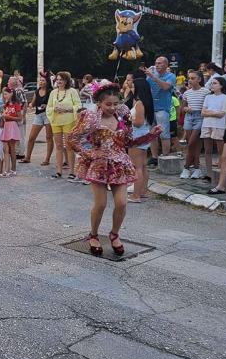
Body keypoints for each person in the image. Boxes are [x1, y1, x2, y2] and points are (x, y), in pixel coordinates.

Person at [69, 83, 161, 256]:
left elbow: (129, 143)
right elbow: (72, 138)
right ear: (99, 103)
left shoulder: (123, 117)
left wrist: (151, 135)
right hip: (99, 165)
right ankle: (94, 235)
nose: (112, 108)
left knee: (121, 202)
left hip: (119, 164)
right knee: (101, 203)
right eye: (108, 104)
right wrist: (87, 153)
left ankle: (114, 234)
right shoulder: (90, 118)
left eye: (115, 104)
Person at [46, 71, 81, 181]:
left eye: (61, 79)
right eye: (57, 79)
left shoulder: (72, 92)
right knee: (59, 146)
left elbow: (78, 105)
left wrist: (67, 109)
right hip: (56, 121)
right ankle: (59, 171)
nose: (59, 81)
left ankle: (71, 171)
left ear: (66, 81)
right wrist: (54, 109)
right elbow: (49, 107)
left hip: (69, 121)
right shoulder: (53, 93)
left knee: (69, 146)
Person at [127, 78, 155, 203]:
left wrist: (127, 120)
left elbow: (138, 122)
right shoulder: (147, 102)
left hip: (137, 136)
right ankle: (142, 191)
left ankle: (136, 195)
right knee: (143, 166)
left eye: (133, 85)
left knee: (137, 167)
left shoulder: (139, 103)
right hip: (144, 135)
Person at [144, 56, 177, 163]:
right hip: (150, 107)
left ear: (166, 65)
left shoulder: (170, 76)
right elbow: (144, 88)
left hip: (162, 108)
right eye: (156, 63)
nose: (157, 65)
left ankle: (165, 157)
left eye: (160, 63)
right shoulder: (150, 75)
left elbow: (166, 87)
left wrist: (153, 77)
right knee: (152, 133)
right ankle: (154, 157)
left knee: (164, 134)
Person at [179, 71, 209, 179]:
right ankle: (196, 168)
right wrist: (185, 108)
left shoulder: (206, 92)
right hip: (189, 117)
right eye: (189, 78)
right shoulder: (187, 93)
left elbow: (208, 106)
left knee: (191, 143)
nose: (190, 80)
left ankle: (186, 166)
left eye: (193, 78)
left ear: (199, 79)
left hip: (200, 117)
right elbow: (182, 108)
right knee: (195, 144)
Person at [200, 77, 226, 181]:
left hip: (219, 125)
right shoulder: (208, 97)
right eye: (211, 83)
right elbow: (202, 113)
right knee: (208, 150)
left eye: (215, 83)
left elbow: (222, 114)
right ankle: (209, 174)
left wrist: (209, 112)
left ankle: (220, 172)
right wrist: (214, 113)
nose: (212, 85)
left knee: (221, 151)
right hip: (206, 124)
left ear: (221, 85)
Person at [23, 73, 54, 165]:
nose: (41, 82)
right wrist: (30, 105)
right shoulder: (37, 91)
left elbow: (53, 103)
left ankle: (47, 159)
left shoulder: (50, 91)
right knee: (31, 137)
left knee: (49, 137)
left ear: (47, 82)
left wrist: (47, 105)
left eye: (43, 80)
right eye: (40, 80)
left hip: (48, 114)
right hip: (38, 114)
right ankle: (27, 157)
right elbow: (32, 102)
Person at [0, 88, 22, 177]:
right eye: (3, 95)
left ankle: (14, 169)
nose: (4, 96)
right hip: (6, 126)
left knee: (12, 148)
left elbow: (20, 118)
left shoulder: (16, 105)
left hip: (12, 125)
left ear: (11, 94)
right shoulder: (6, 105)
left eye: (5, 94)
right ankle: (8, 169)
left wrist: (8, 117)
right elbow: (5, 117)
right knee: (6, 149)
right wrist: (2, 117)